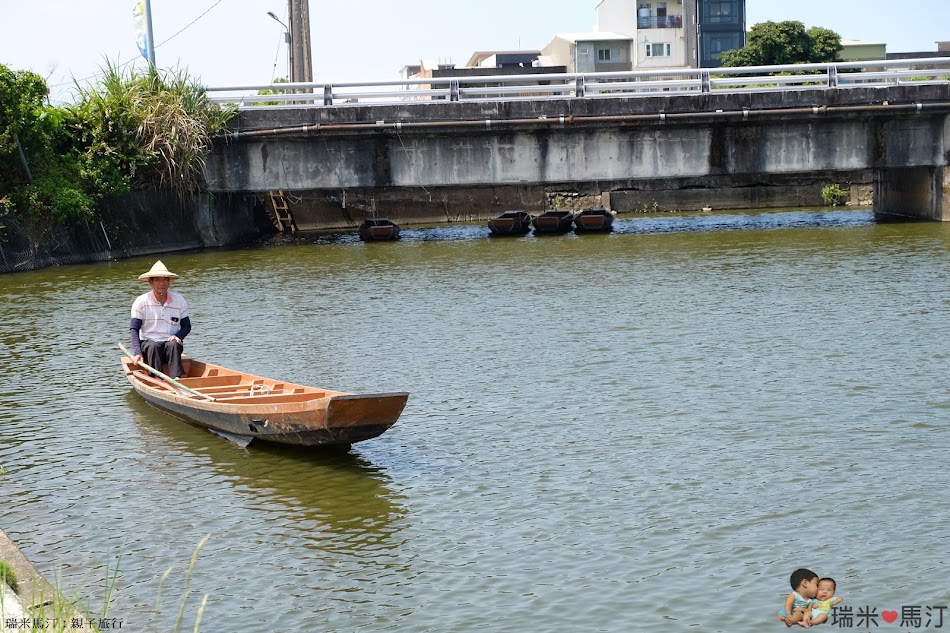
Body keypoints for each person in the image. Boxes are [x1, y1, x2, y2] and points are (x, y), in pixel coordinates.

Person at [129, 260, 191, 379]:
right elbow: (134, 329)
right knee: (153, 346)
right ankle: (157, 378)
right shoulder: (141, 302)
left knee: (173, 344)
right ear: (150, 282)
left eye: (164, 279)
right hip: (149, 347)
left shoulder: (179, 301)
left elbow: (186, 326)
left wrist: (178, 336)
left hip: (170, 347)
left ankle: (176, 379)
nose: (161, 283)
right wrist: (137, 352)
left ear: (169, 281)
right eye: (157, 279)